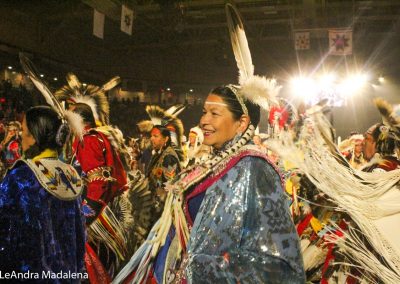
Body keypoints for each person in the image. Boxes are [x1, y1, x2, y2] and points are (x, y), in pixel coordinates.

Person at [114, 85, 305, 284]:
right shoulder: (211, 164)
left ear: (241, 123)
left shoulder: (255, 169)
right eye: (204, 112)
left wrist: (204, 267)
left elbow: (277, 258)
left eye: (214, 113)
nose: (204, 120)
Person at [0, 106, 86, 280]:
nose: (20, 136)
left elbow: (5, 239)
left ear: (33, 136)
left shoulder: (21, 177)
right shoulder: (70, 175)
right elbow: (79, 238)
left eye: (24, 131)